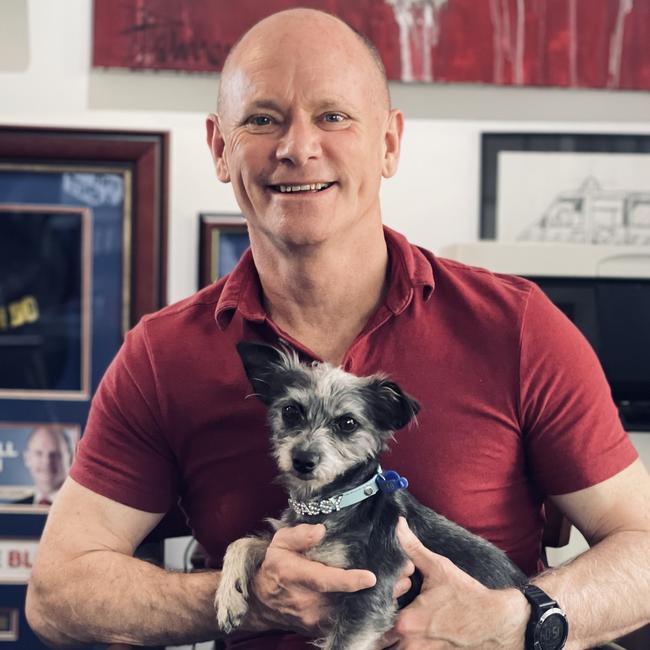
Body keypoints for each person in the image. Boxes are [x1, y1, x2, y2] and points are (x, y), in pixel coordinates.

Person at [26, 7, 650, 650]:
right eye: (263, 119)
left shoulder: (517, 327)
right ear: (220, 148)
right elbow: (57, 593)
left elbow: (645, 550)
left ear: (388, 143)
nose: (298, 148)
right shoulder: (162, 355)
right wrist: (248, 599)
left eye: (334, 116)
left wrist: (517, 619)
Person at [18, 425, 72, 505]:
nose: (47, 462)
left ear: (70, 459)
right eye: (39, 453)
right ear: (27, 458)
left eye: (55, 454)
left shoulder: (84, 509)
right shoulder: (13, 510)